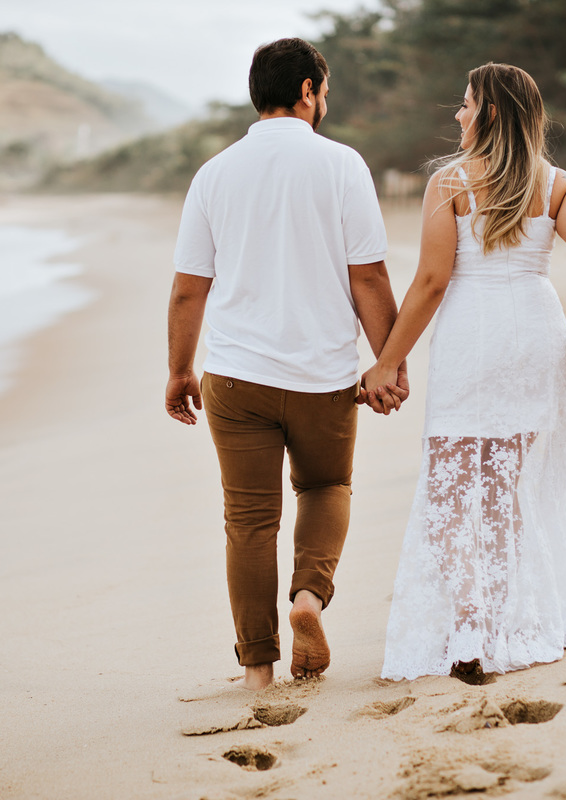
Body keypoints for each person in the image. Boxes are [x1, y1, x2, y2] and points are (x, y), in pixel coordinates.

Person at [166, 38, 405, 690]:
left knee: (247, 520)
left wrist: (180, 369)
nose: (325, 101)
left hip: (237, 377)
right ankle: (307, 598)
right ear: (307, 89)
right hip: (322, 377)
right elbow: (370, 276)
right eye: (324, 90)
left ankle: (257, 670)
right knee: (326, 488)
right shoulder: (342, 165)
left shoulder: (214, 173)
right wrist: (388, 362)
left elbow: (190, 287)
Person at [363, 63, 566, 682]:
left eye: (467, 104)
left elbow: (430, 280)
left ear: (492, 112)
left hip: (473, 337)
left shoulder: (450, 183)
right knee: (503, 486)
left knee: (452, 487)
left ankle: (470, 620)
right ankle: (500, 614)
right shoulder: (557, 186)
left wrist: (388, 360)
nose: (458, 115)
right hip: (534, 332)